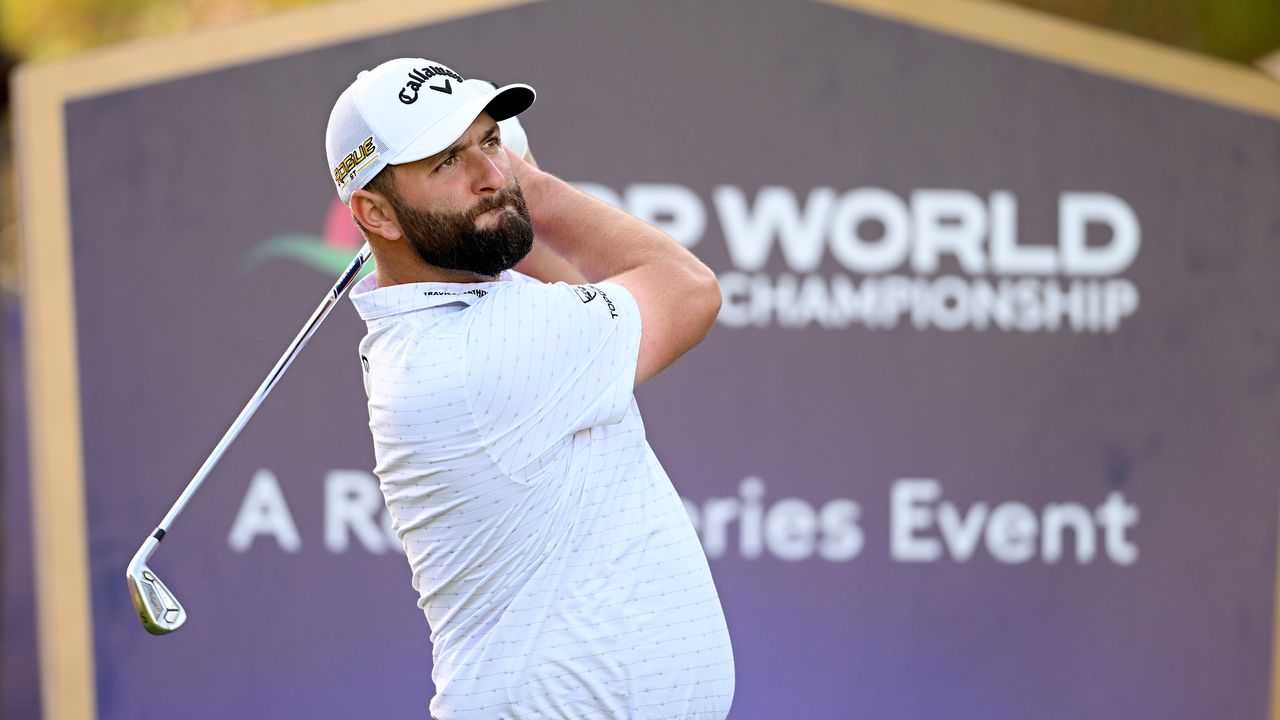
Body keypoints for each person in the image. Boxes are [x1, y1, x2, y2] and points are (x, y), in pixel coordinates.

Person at [324, 58, 735, 719]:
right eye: (445, 162)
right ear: (376, 213)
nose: (489, 174)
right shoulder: (472, 356)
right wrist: (530, 185)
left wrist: (495, 188)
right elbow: (687, 291)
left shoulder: (458, 310)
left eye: (490, 141)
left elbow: (562, 275)